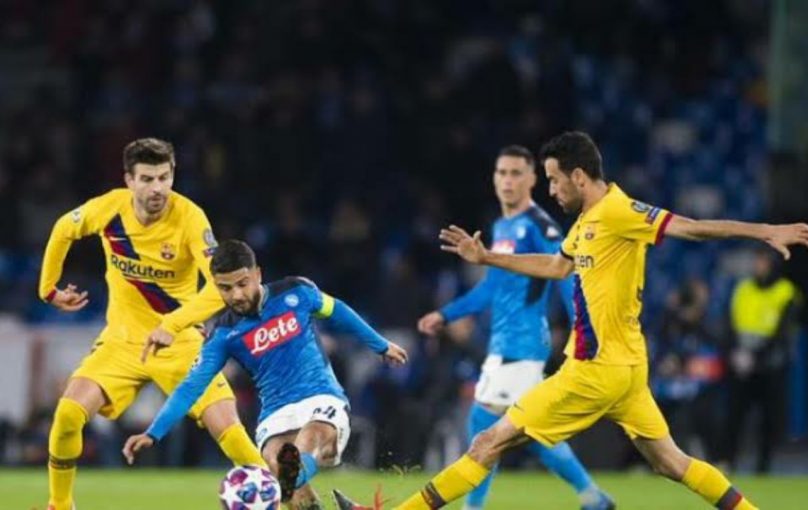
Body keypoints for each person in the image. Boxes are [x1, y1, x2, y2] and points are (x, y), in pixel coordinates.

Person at [333, 131, 808, 510]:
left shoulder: (619, 211)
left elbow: (691, 229)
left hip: (594, 371)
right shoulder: (586, 223)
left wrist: (764, 231)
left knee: (488, 439)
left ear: (580, 177)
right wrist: (487, 257)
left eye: (554, 179)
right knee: (672, 462)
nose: (550, 189)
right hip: (626, 370)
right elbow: (556, 266)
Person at [39, 138, 265, 510]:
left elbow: (219, 287)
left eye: (164, 177)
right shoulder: (109, 209)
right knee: (66, 416)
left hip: (181, 344)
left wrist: (172, 325)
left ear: (172, 175)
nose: (157, 188)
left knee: (230, 431)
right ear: (129, 180)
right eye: (147, 179)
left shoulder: (190, 218)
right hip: (121, 343)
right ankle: (60, 505)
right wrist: (48, 289)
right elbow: (64, 228)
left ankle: (285, 503)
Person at [122, 240, 408, 510]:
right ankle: (288, 486)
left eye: (242, 284)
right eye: (225, 288)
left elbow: (338, 311)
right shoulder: (223, 335)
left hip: (321, 398)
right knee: (276, 461)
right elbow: (190, 387)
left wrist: (381, 345)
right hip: (276, 413)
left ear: (258, 274)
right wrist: (153, 433)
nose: (236, 295)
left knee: (309, 441)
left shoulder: (296, 292)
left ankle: (278, 487)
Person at [417, 145, 613, 510]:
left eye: (516, 173)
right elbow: (491, 287)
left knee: (483, 424)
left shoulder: (539, 224)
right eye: (502, 173)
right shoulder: (502, 227)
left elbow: (565, 273)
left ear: (532, 179)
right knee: (531, 431)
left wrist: (581, 326)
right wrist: (447, 314)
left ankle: (473, 507)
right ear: (494, 178)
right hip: (505, 342)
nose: (508, 180)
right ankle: (593, 497)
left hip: (523, 342)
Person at [722, 248, 801, 473]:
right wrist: (734, 352)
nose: (758, 266)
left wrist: (754, 357)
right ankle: (728, 461)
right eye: (757, 261)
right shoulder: (743, 288)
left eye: (763, 262)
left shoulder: (786, 292)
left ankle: (763, 466)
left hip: (770, 365)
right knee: (734, 415)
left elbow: (783, 333)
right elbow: (730, 322)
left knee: (768, 418)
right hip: (741, 362)